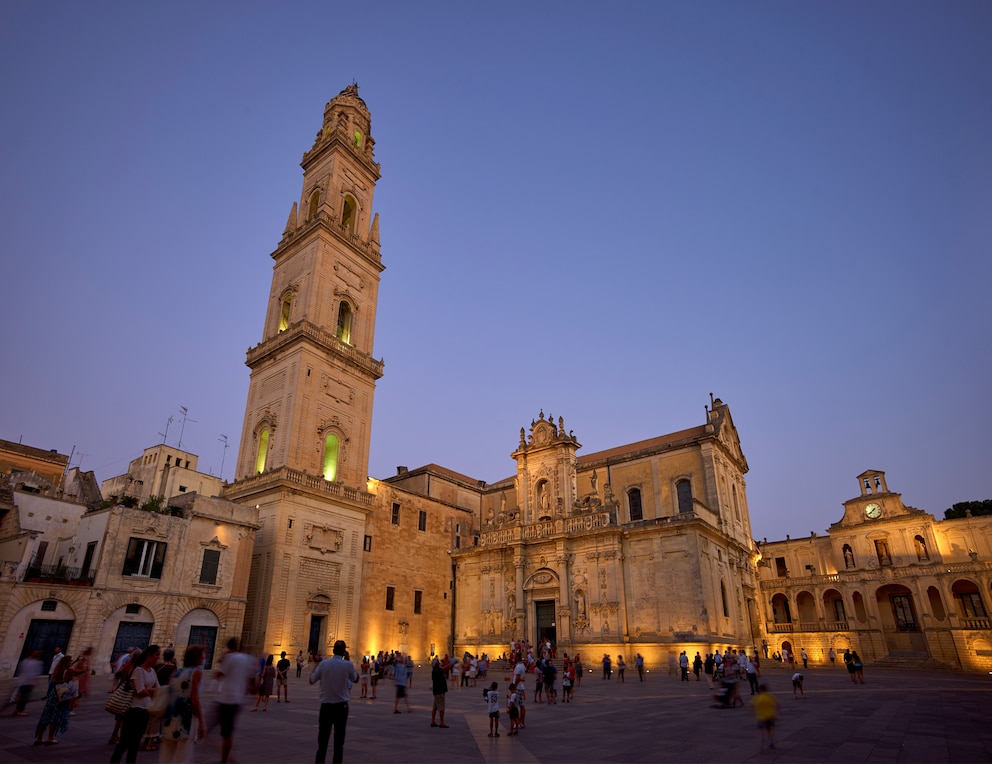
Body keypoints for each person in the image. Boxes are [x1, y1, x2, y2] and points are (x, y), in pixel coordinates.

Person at [310, 640, 358, 764]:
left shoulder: (324, 664)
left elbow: (311, 680)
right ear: (344, 652)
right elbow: (356, 678)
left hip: (325, 707)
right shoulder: (348, 665)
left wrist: (317, 663)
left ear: (333, 651)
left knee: (322, 742)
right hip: (341, 708)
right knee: (339, 743)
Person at [111, 645, 161, 763]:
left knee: (135, 744)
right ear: (149, 655)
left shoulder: (152, 671)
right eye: (156, 655)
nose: (158, 658)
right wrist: (153, 691)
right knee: (123, 743)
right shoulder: (138, 670)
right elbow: (140, 691)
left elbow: (157, 688)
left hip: (145, 711)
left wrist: (151, 690)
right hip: (133, 711)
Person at [159, 645, 206, 764]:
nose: (204, 658)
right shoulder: (196, 673)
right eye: (202, 656)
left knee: (167, 756)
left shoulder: (176, 672)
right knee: (183, 756)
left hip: (170, 717)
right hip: (186, 718)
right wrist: (202, 722)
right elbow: (195, 700)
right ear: (196, 658)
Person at [214, 638, 255, 764]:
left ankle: (225, 758)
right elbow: (252, 682)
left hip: (226, 698)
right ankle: (226, 757)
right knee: (227, 731)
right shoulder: (247, 659)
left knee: (217, 730)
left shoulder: (230, 658)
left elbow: (219, 674)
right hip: (237, 699)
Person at [32, 651, 81, 746]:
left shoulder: (57, 670)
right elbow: (79, 671)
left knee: (46, 716)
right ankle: (50, 738)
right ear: (67, 663)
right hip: (61, 694)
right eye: (70, 661)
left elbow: (51, 684)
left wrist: (76, 661)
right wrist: (84, 664)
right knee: (55, 717)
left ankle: (39, 737)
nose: (71, 662)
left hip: (53, 695)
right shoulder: (69, 671)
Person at [12, 650, 43, 716]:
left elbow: (20, 671)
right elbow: (35, 674)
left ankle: (17, 709)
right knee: (24, 697)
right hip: (29, 682)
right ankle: (21, 711)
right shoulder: (37, 663)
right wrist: (34, 683)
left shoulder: (25, 661)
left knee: (20, 696)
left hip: (22, 681)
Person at [751, 684, 778, 751]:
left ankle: (761, 742)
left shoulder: (757, 698)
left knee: (760, 730)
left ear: (759, 691)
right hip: (770, 716)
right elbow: (777, 704)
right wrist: (779, 712)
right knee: (770, 729)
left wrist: (754, 714)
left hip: (760, 717)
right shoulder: (771, 697)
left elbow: (752, 705)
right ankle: (771, 741)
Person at [430, 658, 448, 728]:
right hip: (439, 691)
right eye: (437, 662)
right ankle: (441, 722)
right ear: (435, 664)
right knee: (441, 707)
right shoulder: (437, 670)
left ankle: (433, 721)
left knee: (435, 707)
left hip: (437, 691)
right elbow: (444, 669)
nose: (439, 662)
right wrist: (450, 664)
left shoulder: (435, 670)